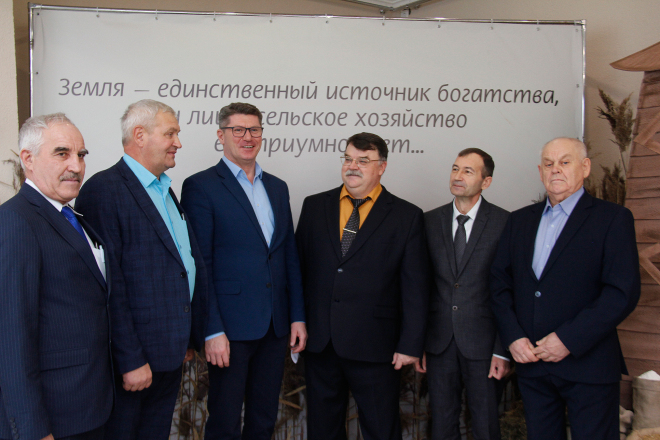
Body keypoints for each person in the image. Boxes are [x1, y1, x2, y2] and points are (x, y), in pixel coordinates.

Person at [490, 137, 640, 440]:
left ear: (585, 167)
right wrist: (513, 337)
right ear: (540, 171)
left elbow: (621, 293)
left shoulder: (612, 218)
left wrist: (568, 339)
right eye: (548, 164)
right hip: (533, 365)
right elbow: (498, 283)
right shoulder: (519, 221)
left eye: (565, 162)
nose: (555, 169)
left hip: (589, 365)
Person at [75, 99, 208, 440]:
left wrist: (186, 338)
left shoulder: (164, 189)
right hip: (133, 364)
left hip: (169, 354)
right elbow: (109, 286)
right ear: (140, 135)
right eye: (170, 134)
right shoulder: (104, 191)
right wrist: (130, 359)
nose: (178, 142)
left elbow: (180, 264)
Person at [180, 102, 306, 440]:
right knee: (224, 421)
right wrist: (211, 330)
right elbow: (200, 264)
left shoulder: (277, 187)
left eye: (254, 130)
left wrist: (297, 317)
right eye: (238, 130)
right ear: (221, 135)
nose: (247, 137)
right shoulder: (201, 186)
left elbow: (288, 256)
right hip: (229, 329)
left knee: (264, 419)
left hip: (275, 326)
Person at [295, 132, 429, 440]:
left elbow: (416, 287)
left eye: (363, 161)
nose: (352, 166)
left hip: (376, 346)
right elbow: (299, 270)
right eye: (348, 158)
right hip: (321, 342)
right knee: (322, 431)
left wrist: (410, 344)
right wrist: (296, 320)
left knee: (381, 430)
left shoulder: (407, 216)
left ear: (382, 167)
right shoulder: (314, 206)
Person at [0, 113, 113, 440]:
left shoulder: (71, 216)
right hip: (54, 418)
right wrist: (32, 430)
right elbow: (12, 337)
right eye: (62, 153)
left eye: (81, 155)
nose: (76, 166)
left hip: (90, 406)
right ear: (28, 159)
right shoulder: (16, 221)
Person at [417, 148, 509, 440]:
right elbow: (421, 286)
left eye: (468, 171)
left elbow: (511, 291)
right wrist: (418, 342)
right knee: (442, 425)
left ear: (486, 181)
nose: (458, 176)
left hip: (485, 345)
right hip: (438, 342)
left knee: (485, 425)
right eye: (455, 169)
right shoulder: (429, 221)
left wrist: (502, 349)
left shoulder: (505, 223)